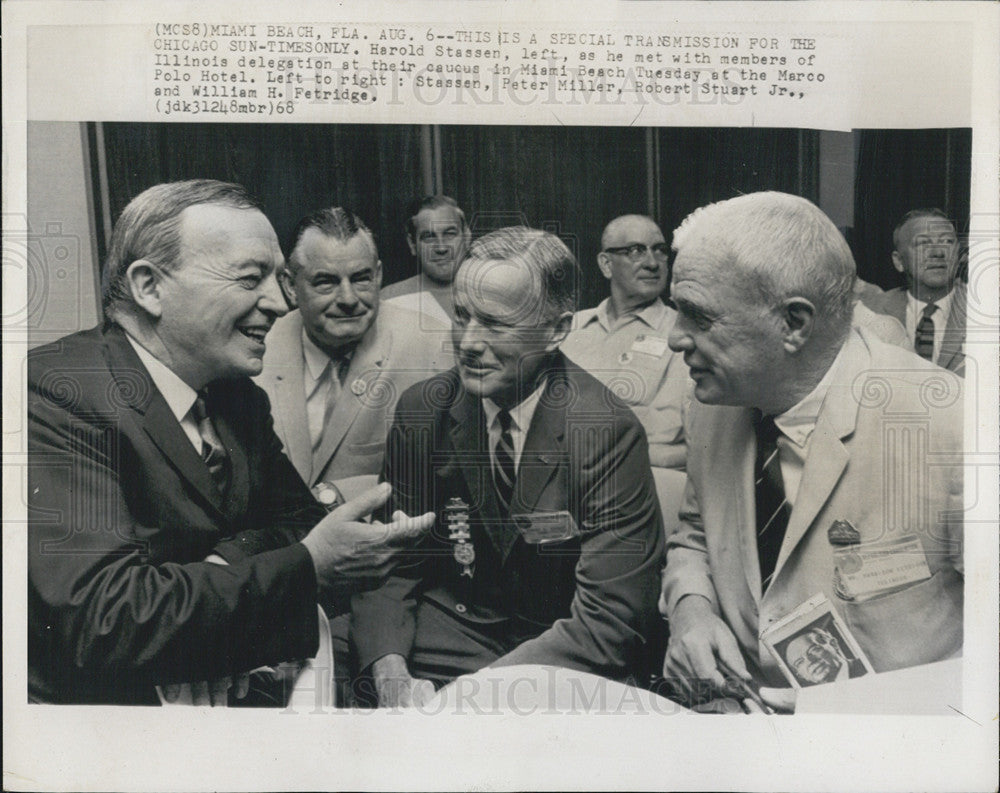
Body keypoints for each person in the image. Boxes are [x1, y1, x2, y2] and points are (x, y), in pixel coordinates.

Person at [27, 180, 434, 705]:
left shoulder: (236, 396)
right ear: (150, 286)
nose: (282, 303)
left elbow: (299, 520)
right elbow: (102, 621)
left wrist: (219, 590)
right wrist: (304, 567)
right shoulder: (56, 394)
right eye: (250, 279)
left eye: (278, 278)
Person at [659, 192, 963, 712]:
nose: (673, 339)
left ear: (794, 324)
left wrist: (838, 713)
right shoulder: (713, 401)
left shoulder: (953, 425)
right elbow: (695, 535)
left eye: (698, 317)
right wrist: (691, 609)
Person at [347, 226, 666, 707]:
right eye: (461, 316)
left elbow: (611, 621)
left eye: (496, 324)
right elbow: (391, 567)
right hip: (452, 633)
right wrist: (392, 677)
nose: (469, 342)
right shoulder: (422, 410)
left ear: (558, 331)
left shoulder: (605, 430)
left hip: (559, 654)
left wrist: (469, 699)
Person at [257, 207, 451, 507]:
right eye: (326, 282)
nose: (348, 299)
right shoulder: (258, 349)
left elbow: (449, 471)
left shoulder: (435, 344)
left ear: (379, 276)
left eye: (361, 279)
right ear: (290, 286)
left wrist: (334, 495)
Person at [560, 214, 690, 471]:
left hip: (640, 482)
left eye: (660, 251)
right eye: (635, 251)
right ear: (606, 264)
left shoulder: (682, 334)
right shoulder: (569, 327)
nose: (652, 263)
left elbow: (679, 434)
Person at [860, 208, 966, 375]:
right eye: (923, 243)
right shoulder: (871, 311)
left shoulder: (985, 309)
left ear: (959, 255)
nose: (938, 252)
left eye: (947, 242)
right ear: (899, 261)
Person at [380, 195, 471, 324]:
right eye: (429, 237)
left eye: (450, 234)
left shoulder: (493, 291)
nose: (441, 248)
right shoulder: (389, 299)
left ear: (466, 237)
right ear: (412, 244)